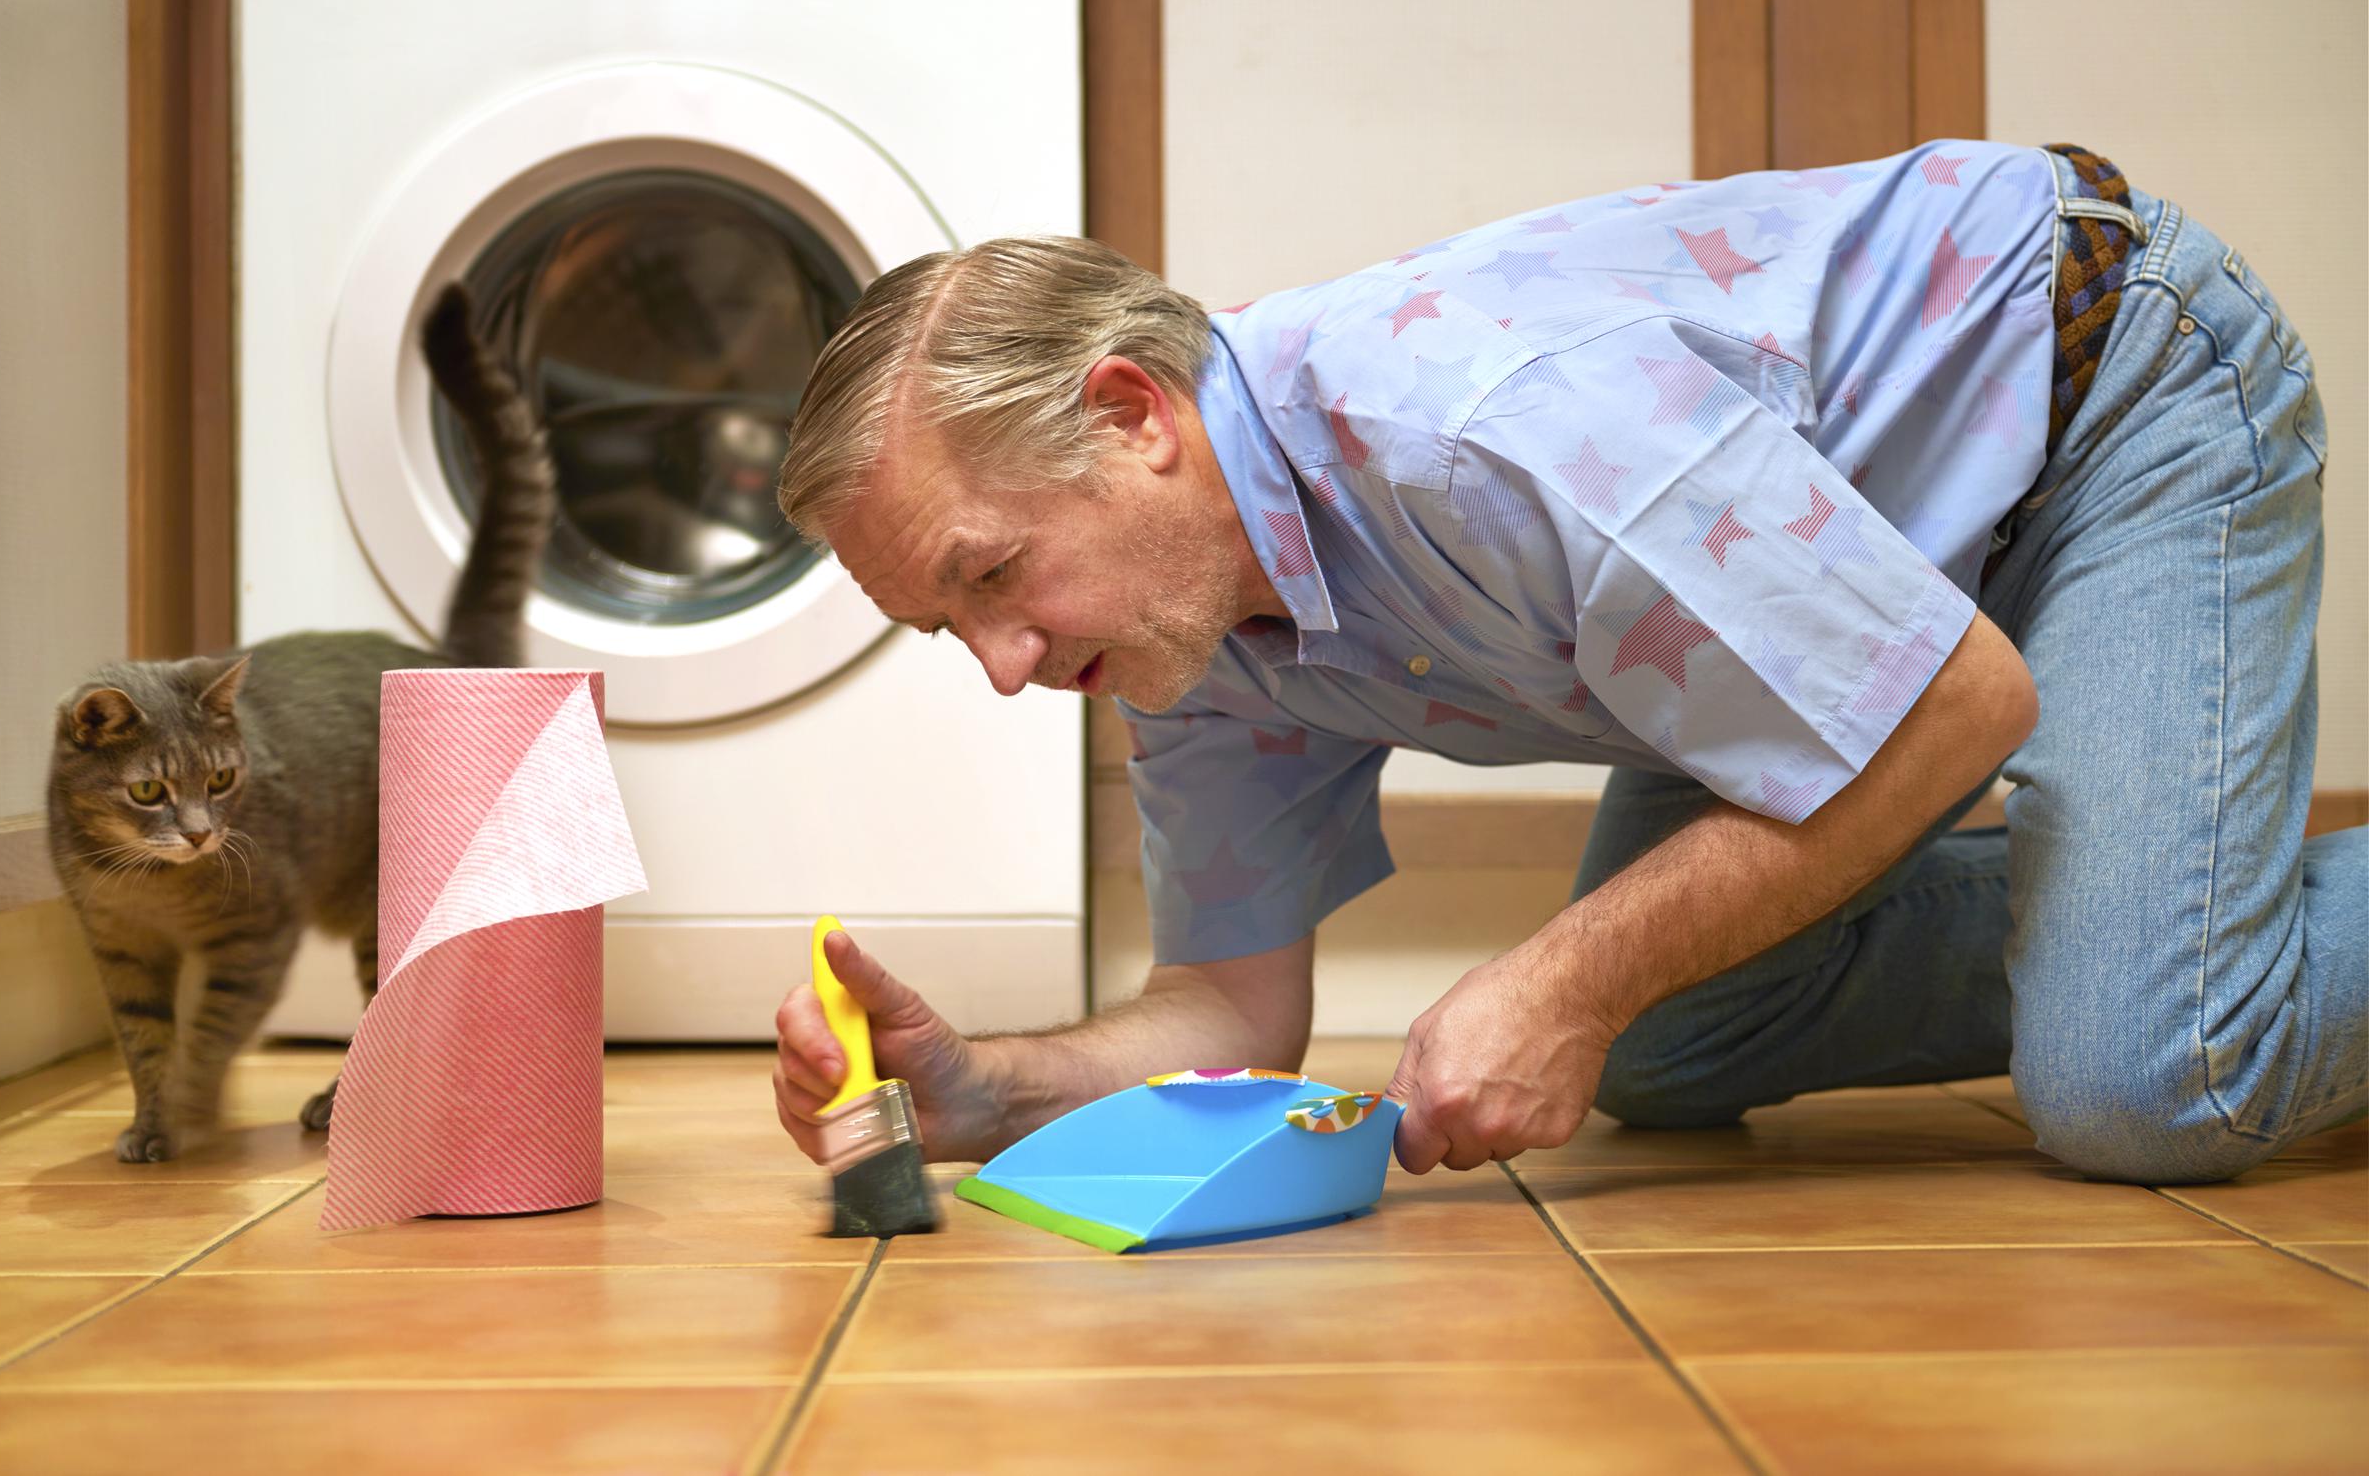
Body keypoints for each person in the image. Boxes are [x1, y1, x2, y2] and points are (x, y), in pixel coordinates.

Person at [768, 140, 2363, 1185]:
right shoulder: (1181, 629)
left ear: (1133, 418)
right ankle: (2148, 914)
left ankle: (2161, 960)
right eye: (945, 625)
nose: (999, 662)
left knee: (2153, 1083)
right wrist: (986, 1089)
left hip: (2101, 389)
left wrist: (1563, 974)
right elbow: (1231, 1011)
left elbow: (1957, 704)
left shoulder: (1478, 429)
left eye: (992, 576)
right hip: (1804, 577)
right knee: (1673, 1046)